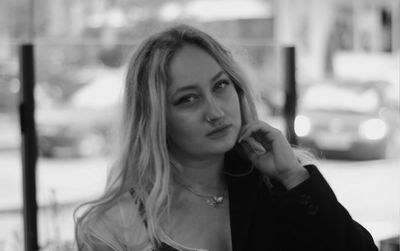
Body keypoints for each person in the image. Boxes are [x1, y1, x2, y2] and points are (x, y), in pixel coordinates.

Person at [74, 24, 378, 251]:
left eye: (220, 86)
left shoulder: (279, 188)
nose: (216, 111)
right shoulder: (116, 225)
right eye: (188, 99)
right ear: (155, 119)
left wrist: (294, 176)